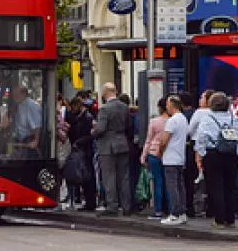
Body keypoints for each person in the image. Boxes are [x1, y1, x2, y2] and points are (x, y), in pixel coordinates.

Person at [195, 92, 238, 228]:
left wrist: (200, 155)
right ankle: (230, 219)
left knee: (216, 187)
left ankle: (219, 219)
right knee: (230, 187)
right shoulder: (232, 119)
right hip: (231, 154)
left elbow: (201, 138)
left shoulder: (208, 119)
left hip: (213, 154)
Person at [93, 83, 132, 217]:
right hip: (122, 144)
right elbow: (128, 126)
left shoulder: (104, 109)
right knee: (124, 177)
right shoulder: (124, 107)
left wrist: (93, 131)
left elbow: (101, 129)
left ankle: (112, 206)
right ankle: (127, 207)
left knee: (109, 177)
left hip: (107, 147)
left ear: (105, 92)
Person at [159, 95, 190, 225]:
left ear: (172, 106)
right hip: (180, 157)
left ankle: (174, 214)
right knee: (180, 186)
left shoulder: (172, 121)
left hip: (170, 157)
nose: (166, 107)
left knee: (172, 187)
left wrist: (160, 152)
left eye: (167, 104)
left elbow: (164, 139)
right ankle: (182, 213)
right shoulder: (183, 119)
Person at [141, 97, 170, 220]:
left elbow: (148, 140)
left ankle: (158, 210)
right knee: (169, 183)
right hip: (169, 154)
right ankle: (169, 209)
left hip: (154, 153)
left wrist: (143, 155)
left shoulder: (154, 122)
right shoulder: (173, 121)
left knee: (158, 182)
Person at [66, 97, 97, 211]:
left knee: (87, 175)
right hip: (83, 149)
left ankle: (90, 201)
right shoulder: (81, 117)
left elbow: (89, 134)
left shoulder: (86, 118)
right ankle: (89, 201)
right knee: (85, 175)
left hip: (85, 150)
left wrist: (78, 142)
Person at [179, 91, 198, 217]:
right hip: (196, 149)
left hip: (187, 150)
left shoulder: (183, 117)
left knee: (186, 180)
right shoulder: (196, 113)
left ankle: (188, 206)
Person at [10, 86, 42, 158]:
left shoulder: (32, 105)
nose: (14, 97)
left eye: (16, 95)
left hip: (29, 140)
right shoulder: (18, 105)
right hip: (19, 139)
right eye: (14, 95)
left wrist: (36, 140)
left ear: (24, 94)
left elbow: (37, 125)